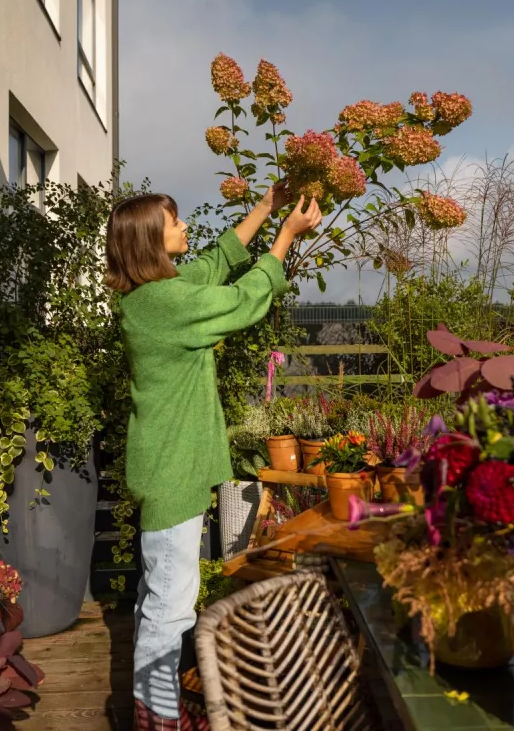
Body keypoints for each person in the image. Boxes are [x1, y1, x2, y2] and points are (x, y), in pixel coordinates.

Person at [104, 182, 322, 729]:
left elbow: (215, 261)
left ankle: (153, 705)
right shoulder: (164, 303)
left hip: (166, 464)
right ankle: (156, 719)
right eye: (172, 222)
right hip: (171, 469)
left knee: (159, 593)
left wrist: (267, 207)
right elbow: (243, 299)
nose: (183, 228)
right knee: (170, 604)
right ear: (151, 241)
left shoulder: (156, 294)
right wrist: (285, 239)